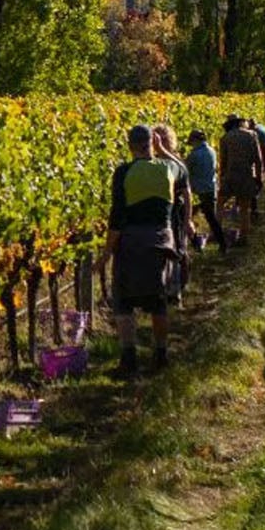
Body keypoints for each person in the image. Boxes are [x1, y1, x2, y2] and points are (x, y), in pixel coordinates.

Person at [103, 123, 178, 376]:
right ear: (153, 143)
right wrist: (162, 151)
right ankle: (161, 354)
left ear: (129, 146)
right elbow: (183, 170)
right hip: (161, 242)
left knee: (124, 303)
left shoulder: (123, 172)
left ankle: (129, 359)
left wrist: (105, 255)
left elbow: (117, 219)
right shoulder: (169, 168)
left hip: (132, 243)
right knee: (158, 302)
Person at [151, 123, 194, 301]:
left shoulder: (176, 163)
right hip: (159, 214)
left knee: (177, 250)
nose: (158, 143)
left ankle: (175, 290)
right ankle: (164, 288)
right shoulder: (151, 163)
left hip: (176, 213)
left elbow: (187, 193)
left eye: (163, 139)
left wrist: (188, 219)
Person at [219, 114, 262, 245]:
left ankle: (217, 232)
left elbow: (223, 161)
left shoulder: (225, 138)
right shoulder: (252, 135)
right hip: (246, 175)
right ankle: (243, 238)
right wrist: (258, 178)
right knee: (244, 208)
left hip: (230, 175)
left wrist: (222, 177)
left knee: (220, 203)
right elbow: (258, 159)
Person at [185, 128, 225, 251]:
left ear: (195, 140)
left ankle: (197, 244)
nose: (191, 145)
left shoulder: (194, 155)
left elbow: (185, 170)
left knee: (187, 218)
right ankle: (222, 243)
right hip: (211, 187)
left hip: (198, 191)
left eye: (191, 142)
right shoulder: (211, 150)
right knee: (211, 218)